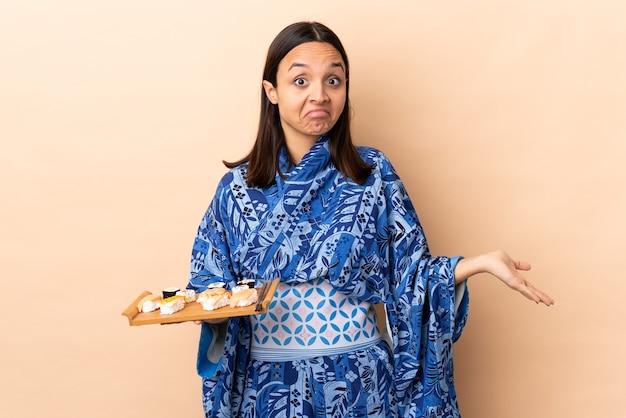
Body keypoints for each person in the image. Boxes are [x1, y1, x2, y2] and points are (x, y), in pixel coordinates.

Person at [186, 21, 554, 418]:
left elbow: (410, 275)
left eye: (333, 80)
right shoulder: (236, 191)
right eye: (300, 81)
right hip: (268, 388)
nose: (319, 95)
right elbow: (209, 291)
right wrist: (201, 309)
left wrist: (476, 264)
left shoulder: (373, 173)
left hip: (362, 382)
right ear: (271, 91)